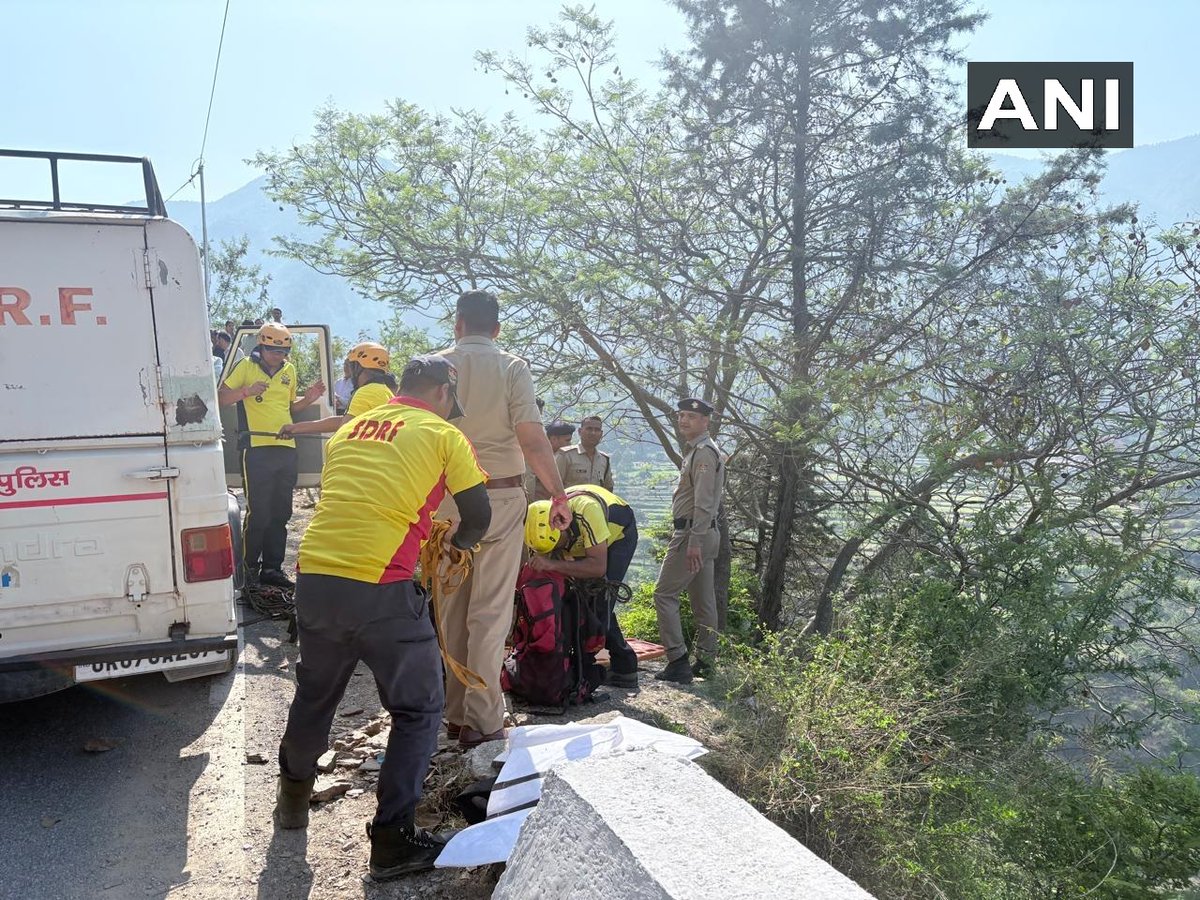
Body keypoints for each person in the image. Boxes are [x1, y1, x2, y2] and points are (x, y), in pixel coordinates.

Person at [274, 355, 491, 880]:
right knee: (418, 709)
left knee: (316, 695)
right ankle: (393, 841)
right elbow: (478, 515)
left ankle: (293, 803)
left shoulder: (349, 430)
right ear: (443, 392)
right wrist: (457, 546)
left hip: (316, 578)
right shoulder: (443, 434)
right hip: (383, 588)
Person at [436, 289, 571, 747]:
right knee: (490, 612)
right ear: (496, 329)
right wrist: (557, 493)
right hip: (499, 499)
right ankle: (484, 721)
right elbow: (533, 439)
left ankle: (456, 714)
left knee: (451, 609)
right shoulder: (512, 367)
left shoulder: (434, 367)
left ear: (457, 324)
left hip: (443, 503)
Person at [217, 323, 325, 589]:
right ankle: (249, 570)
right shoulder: (245, 366)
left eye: (284, 351)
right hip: (256, 448)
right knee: (259, 512)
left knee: (281, 512)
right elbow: (220, 399)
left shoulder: (289, 370)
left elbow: (290, 409)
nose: (280, 356)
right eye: (275, 350)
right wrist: (246, 392)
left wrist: (309, 399)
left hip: (285, 449)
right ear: (262, 346)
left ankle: (273, 569)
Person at [524, 484, 640, 688]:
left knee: (600, 600)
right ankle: (578, 664)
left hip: (618, 535)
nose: (559, 552)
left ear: (562, 526)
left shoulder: (588, 512)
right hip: (583, 534)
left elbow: (597, 567)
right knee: (576, 598)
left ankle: (620, 668)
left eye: (558, 546)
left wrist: (552, 564)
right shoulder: (538, 521)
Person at [653, 398, 725, 684]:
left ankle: (677, 659)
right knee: (703, 601)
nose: (684, 420)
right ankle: (706, 660)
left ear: (705, 421)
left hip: (693, 534)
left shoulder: (704, 453)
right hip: (705, 534)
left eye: (691, 417)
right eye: (682, 415)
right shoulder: (698, 450)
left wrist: (693, 540)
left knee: (664, 594)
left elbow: (704, 501)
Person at [279, 342, 396, 439]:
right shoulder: (385, 392)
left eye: (350, 366)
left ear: (357, 367)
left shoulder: (365, 392)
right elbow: (343, 421)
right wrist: (296, 428)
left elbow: (344, 430)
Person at [557, 414, 614, 491]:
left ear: (601, 434)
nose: (593, 433)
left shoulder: (604, 460)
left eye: (597, 430)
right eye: (589, 429)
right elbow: (553, 485)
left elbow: (608, 488)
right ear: (580, 432)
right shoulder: (566, 455)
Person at [526, 420, 575, 501]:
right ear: (553, 439)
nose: (570, 444)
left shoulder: (567, 457)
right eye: (567, 440)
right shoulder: (536, 457)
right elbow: (529, 483)